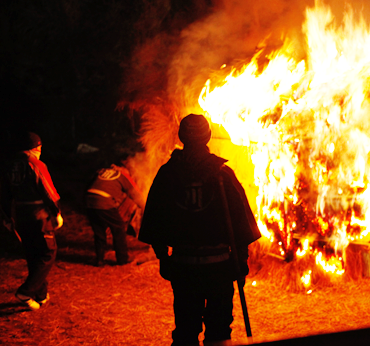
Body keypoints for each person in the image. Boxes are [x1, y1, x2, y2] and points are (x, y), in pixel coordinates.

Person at [139, 114, 261, 346]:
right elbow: (241, 224)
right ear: (207, 137)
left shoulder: (168, 174)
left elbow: (156, 220)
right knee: (219, 331)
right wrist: (241, 262)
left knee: (186, 329)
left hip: (185, 270)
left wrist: (164, 258)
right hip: (219, 269)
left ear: (181, 137)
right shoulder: (222, 175)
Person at [0, 131, 63, 310]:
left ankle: (40, 295)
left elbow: (4, 194)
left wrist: (7, 217)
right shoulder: (34, 163)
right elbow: (48, 191)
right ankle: (26, 292)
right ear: (36, 148)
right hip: (39, 216)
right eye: (40, 148)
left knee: (34, 254)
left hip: (21, 216)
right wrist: (57, 212)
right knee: (48, 253)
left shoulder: (9, 166)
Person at [85, 159, 145, 266]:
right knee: (119, 228)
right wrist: (146, 207)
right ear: (122, 168)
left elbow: (90, 184)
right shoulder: (123, 175)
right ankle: (122, 259)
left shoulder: (102, 171)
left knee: (99, 230)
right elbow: (135, 193)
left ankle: (99, 259)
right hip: (104, 201)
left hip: (89, 199)